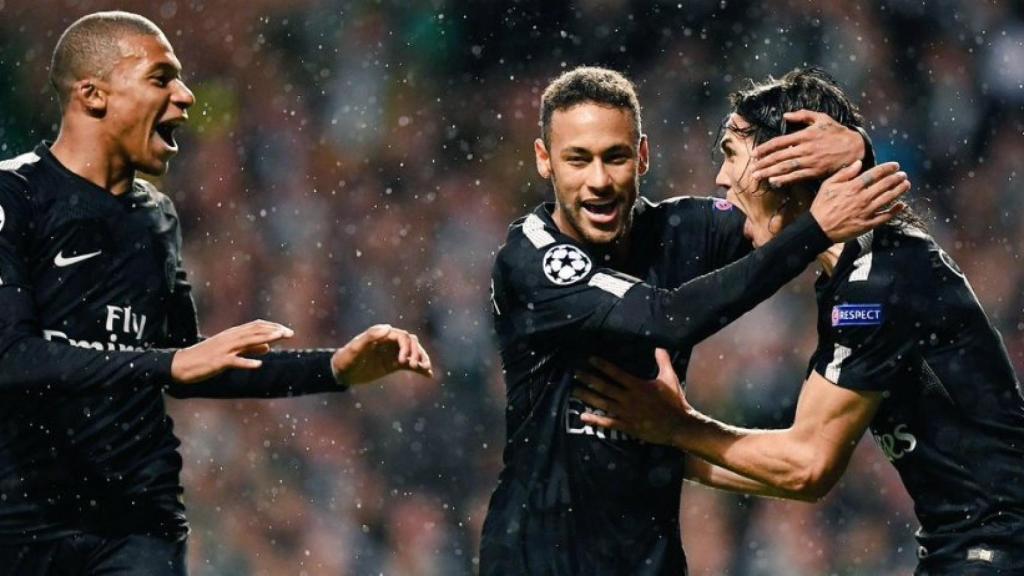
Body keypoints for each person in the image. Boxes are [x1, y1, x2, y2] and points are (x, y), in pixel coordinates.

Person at [0, 11, 432, 575]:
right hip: (23, 522)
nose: (184, 95)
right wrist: (168, 362)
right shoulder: (15, 196)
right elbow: (12, 359)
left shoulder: (156, 218)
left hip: (137, 528)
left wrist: (335, 368)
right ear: (92, 93)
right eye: (161, 78)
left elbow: (198, 364)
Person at [574, 68, 1024, 575]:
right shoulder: (862, 269)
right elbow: (804, 472)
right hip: (966, 550)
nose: (721, 178)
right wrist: (668, 454)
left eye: (729, 153)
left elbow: (807, 466)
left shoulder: (875, 283)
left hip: (993, 554)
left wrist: (677, 427)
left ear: (785, 164)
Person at [479, 65, 909, 575]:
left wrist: (855, 151)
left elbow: (784, 210)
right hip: (540, 562)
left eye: (615, 157)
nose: (598, 181)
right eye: (579, 160)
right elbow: (668, 318)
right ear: (545, 161)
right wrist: (816, 231)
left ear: (642, 155)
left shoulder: (677, 230)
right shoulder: (532, 260)